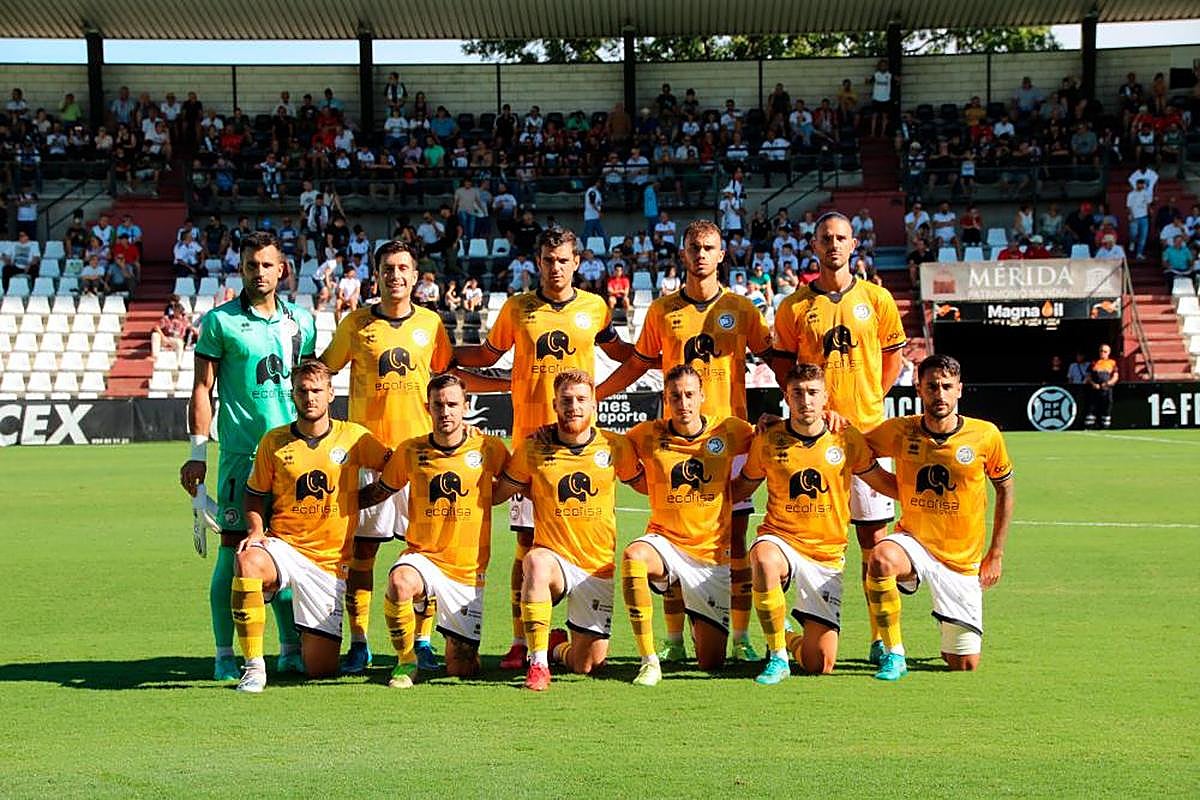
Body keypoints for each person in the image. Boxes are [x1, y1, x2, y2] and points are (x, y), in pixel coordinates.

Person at [454, 227, 633, 669]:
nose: (556, 268)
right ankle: (522, 639)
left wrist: (603, 393)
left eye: (563, 260)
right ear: (538, 261)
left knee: (579, 529)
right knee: (526, 544)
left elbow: (628, 355)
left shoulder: (595, 308)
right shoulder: (518, 308)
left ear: (577, 262)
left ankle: (565, 632)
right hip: (529, 447)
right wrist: (443, 356)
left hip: (581, 446)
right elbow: (487, 358)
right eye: (548, 260)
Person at [597, 219, 773, 662]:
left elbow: (777, 358)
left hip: (727, 440)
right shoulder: (661, 311)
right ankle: (673, 642)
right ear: (683, 253)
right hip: (673, 443)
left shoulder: (742, 308)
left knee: (735, 541)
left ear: (722, 254)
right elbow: (638, 364)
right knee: (671, 536)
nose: (700, 254)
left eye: (709, 247)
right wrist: (596, 395)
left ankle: (741, 635)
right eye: (693, 246)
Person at [770, 211, 906, 667]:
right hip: (813, 441)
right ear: (813, 245)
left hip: (864, 437)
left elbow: (894, 360)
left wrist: (868, 401)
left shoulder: (878, 298)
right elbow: (784, 367)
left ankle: (882, 639)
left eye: (841, 237)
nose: (833, 244)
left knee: (874, 543)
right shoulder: (793, 306)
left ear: (854, 245)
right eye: (826, 237)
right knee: (805, 535)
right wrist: (809, 407)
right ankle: (794, 625)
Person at [180, 231, 317, 682]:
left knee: (286, 555)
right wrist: (198, 452)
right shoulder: (220, 322)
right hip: (242, 457)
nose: (258, 273)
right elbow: (203, 388)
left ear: (282, 270)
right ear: (241, 268)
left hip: (294, 457)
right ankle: (224, 655)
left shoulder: (302, 321)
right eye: (251, 265)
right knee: (232, 553)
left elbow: (311, 386)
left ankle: (290, 650)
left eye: (266, 265)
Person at [320, 240, 454, 674]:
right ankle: (359, 642)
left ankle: (423, 640)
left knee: (426, 554)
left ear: (416, 277)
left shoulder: (432, 324)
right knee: (362, 556)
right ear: (375, 275)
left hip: (420, 461)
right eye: (387, 269)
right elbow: (323, 371)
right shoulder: (356, 323)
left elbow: (447, 376)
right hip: (366, 459)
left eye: (403, 269)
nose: (395, 276)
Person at [231, 360, 390, 692]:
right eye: (302, 391)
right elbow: (253, 494)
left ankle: (297, 641)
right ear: (293, 395)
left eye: (317, 390)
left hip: (329, 564)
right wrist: (256, 531)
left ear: (331, 393)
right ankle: (254, 667)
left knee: (320, 670)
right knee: (248, 561)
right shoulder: (274, 442)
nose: (310, 398)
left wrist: (366, 497)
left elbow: (394, 466)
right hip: (284, 547)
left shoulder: (354, 437)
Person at [732, 363, 895, 683]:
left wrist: (923, 495)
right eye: (797, 393)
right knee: (763, 558)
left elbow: (882, 481)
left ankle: (789, 638)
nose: (805, 400)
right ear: (786, 398)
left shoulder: (846, 438)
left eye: (812, 393)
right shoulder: (769, 439)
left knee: (819, 663)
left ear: (826, 398)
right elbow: (743, 487)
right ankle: (777, 655)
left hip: (826, 556)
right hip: (781, 539)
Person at [863, 354, 1015, 680]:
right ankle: (893, 653)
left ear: (960, 389)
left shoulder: (985, 435)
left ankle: (948, 619)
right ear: (919, 389)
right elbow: (857, 452)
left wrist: (996, 553)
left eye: (947, 386)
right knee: (880, 558)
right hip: (914, 541)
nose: (940, 394)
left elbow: (1006, 489)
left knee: (963, 663)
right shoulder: (901, 431)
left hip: (962, 560)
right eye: (932, 386)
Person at [356, 374, 510, 688]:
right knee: (399, 581)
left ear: (466, 406)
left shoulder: (489, 447)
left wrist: (490, 497)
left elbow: (519, 481)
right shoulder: (411, 450)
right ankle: (406, 661)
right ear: (428, 407)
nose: (446, 412)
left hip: (466, 572)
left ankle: (450, 630)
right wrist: (333, 506)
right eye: (438, 405)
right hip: (423, 557)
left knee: (461, 669)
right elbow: (381, 491)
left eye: (453, 404)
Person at [494, 370, 644, 690]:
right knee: (533, 561)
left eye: (580, 400)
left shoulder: (615, 445)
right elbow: (497, 492)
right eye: (566, 400)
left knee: (587, 664)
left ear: (594, 406)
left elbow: (647, 485)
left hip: (596, 567)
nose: (573, 406)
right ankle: (537, 664)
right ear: (554, 405)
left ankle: (556, 646)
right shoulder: (533, 448)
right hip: (554, 559)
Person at [622, 365, 754, 686]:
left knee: (711, 663)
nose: (683, 403)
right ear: (666, 399)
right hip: (665, 543)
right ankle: (649, 660)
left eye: (690, 395)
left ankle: (717, 630)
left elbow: (771, 436)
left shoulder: (729, 430)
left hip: (710, 558)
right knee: (633, 557)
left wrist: (774, 422)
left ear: (702, 397)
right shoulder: (647, 434)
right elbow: (606, 446)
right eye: (675, 396)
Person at [1084, 344, 1119, 429]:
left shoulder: (1112, 363)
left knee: (1106, 406)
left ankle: (1105, 425)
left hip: (1106, 389)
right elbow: (1088, 376)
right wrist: (1093, 384)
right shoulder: (1093, 362)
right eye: (1101, 351)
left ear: (1109, 353)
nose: (1103, 353)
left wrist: (1107, 383)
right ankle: (1090, 425)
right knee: (1092, 407)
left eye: (1105, 351)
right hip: (1095, 389)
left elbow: (1115, 376)